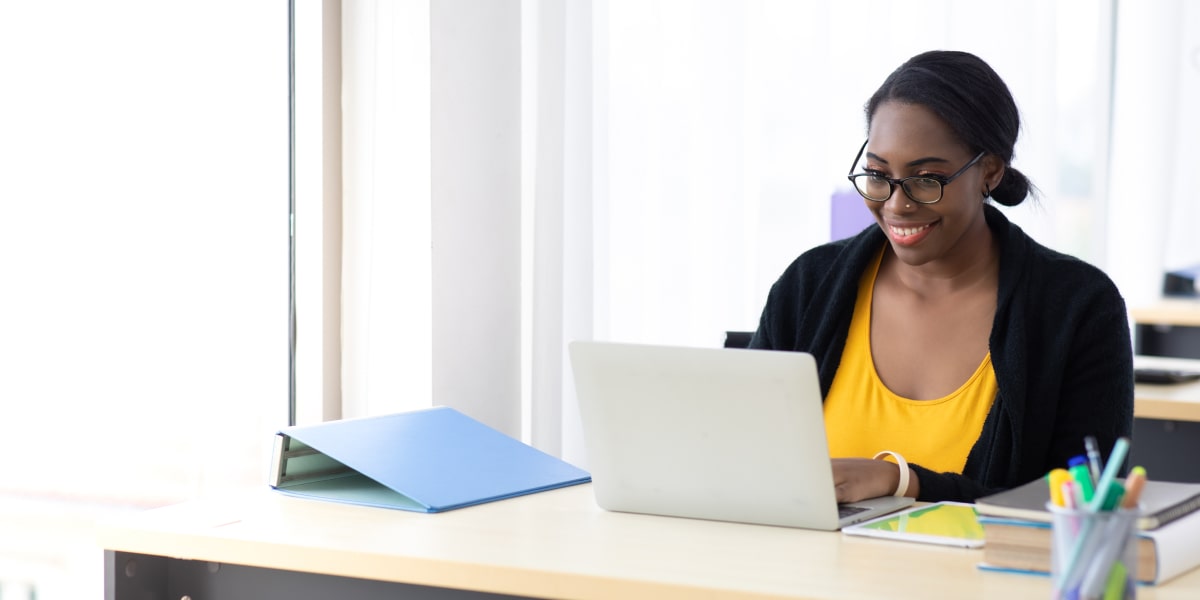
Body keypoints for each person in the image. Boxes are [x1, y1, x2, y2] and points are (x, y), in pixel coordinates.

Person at [748, 50, 1133, 503]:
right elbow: (746, 457)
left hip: (982, 575)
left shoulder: (1076, 307)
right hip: (803, 573)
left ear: (989, 171)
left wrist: (903, 482)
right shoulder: (809, 286)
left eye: (926, 179)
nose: (896, 205)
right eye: (877, 175)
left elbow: (1084, 507)